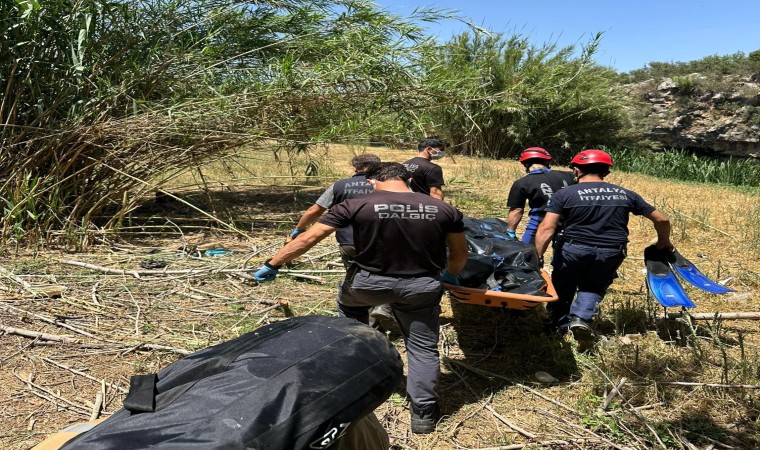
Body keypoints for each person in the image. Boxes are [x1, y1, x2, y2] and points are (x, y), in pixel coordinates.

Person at [253, 162, 468, 435]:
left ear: (372, 182)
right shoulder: (444, 209)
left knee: (350, 317)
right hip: (420, 288)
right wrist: (450, 276)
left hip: (367, 285)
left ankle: (356, 369)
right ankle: (423, 413)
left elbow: (308, 239)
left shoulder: (355, 204)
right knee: (423, 348)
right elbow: (459, 254)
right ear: (410, 179)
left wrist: (273, 263)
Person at [534, 149, 673, 344]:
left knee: (563, 285)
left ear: (576, 170)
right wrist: (663, 241)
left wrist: (537, 256)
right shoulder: (626, 194)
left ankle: (556, 326)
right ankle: (581, 318)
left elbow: (546, 228)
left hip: (573, 249)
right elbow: (662, 219)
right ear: (606, 172)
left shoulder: (564, 194)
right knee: (593, 286)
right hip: (612, 250)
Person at [288, 153, 393, 328]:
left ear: (354, 167)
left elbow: (315, 210)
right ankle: (381, 309)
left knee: (356, 279)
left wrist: (299, 228)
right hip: (382, 242)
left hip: (348, 242)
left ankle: (364, 325)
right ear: (379, 166)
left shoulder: (340, 186)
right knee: (386, 275)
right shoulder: (387, 185)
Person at [506, 147, 575, 243]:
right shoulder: (570, 176)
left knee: (529, 253)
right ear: (547, 162)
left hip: (539, 221)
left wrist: (510, 231)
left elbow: (516, 210)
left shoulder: (522, 182)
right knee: (563, 255)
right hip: (569, 222)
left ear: (526, 164)